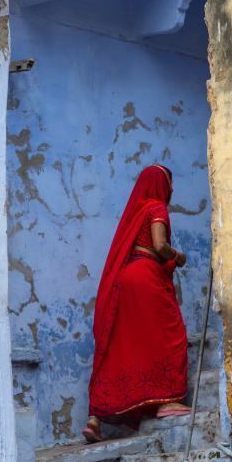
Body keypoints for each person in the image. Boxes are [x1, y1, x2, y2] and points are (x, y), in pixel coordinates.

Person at [83, 165, 190, 443]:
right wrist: (177, 256)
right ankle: (167, 402)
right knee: (171, 334)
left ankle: (94, 418)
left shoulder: (135, 211)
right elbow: (159, 245)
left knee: (122, 344)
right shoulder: (156, 208)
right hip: (146, 276)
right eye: (170, 182)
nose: (172, 189)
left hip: (126, 277)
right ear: (161, 184)